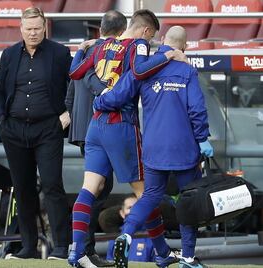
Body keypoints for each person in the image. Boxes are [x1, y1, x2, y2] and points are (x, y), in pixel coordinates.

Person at [68, 9, 186, 268]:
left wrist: (81, 49)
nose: (152, 41)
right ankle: (163, 252)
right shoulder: (139, 45)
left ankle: (76, 251)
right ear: (146, 31)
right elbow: (140, 70)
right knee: (147, 193)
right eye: (153, 36)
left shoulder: (102, 45)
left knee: (90, 188)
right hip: (120, 124)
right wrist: (168, 54)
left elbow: (75, 72)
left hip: (95, 125)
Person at [93, 26, 214, 268]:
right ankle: (188, 258)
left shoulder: (146, 68)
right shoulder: (187, 71)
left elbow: (120, 94)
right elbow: (197, 109)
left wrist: (99, 101)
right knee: (187, 201)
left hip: (153, 147)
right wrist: (203, 138)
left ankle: (126, 234)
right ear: (185, 46)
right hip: (185, 149)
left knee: (149, 196)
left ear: (161, 40)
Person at [0, 7, 72, 260]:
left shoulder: (59, 53)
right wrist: (1, 120)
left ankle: (61, 247)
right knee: (23, 188)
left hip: (48, 128)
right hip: (14, 129)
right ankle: (27, 247)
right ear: (21, 29)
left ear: (44, 27)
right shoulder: (8, 55)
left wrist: (67, 113)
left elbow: (75, 84)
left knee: (52, 186)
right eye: (28, 29)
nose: (33, 33)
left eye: (37, 28)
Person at [65, 10, 128, 268]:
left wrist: (71, 119)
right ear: (122, 31)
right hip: (103, 127)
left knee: (97, 189)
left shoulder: (83, 53)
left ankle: (82, 249)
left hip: (83, 129)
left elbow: (70, 91)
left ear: (100, 28)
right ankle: (83, 250)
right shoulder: (116, 53)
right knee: (96, 191)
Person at [105, 194, 156, 263]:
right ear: (122, 213)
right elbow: (110, 264)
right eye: (130, 207)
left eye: (137, 207)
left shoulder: (152, 238)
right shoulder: (114, 239)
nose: (133, 211)